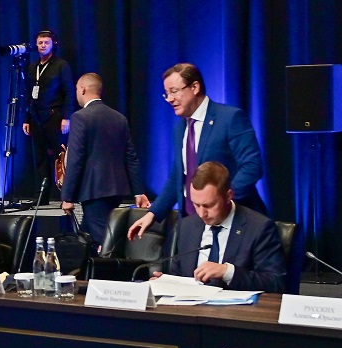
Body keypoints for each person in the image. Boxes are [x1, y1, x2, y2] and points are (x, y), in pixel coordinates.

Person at [128, 62, 267, 240]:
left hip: (232, 222)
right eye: (167, 93)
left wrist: (220, 203)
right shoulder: (180, 129)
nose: (169, 99)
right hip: (193, 224)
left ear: (194, 87)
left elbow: (252, 166)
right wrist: (152, 214)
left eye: (174, 91)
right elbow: (178, 178)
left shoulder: (229, 118)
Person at [167, 162, 285, 293]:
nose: (201, 214)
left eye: (209, 205)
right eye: (196, 205)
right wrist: (166, 282)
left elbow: (276, 283)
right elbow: (178, 275)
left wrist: (228, 272)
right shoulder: (187, 226)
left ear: (228, 196)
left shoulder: (259, 227)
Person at [60, 74, 149, 247]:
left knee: (103, 242)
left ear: (83, 89)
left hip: (94, 192)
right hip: (117, 191)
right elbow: (131, 157)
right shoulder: (119, 118)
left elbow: (75, 159)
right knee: (87, 239)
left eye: (77, 88)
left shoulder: (80, 117)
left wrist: (67, 196)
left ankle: (111, 264)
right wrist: (138, 191)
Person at [22, 30, 74, 187]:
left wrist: (66, 117)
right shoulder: (33, 66)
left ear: (53, 45)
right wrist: (27, 119)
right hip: (36, 117)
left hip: (54, 116)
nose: (43, 45)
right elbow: (29, 95)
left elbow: (69, 91)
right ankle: (43, 193)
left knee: (60, 155)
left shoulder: (61, 65)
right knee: (40, 157)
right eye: (40, 43)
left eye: (46, 42)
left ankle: (65, 192)